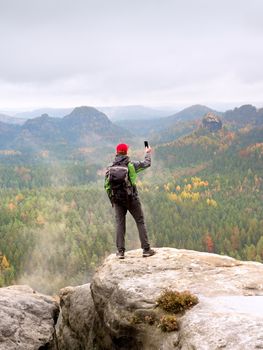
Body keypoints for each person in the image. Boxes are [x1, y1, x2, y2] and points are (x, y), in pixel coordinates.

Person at [105, 143, 156, 259]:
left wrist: (113, 200)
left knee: (120, 224)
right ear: (126, 152)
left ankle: (120, 252)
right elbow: (147, 163)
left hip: (117, 201)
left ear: (116, 152)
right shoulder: (131, 165)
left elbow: (107, 186)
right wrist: (148, 153)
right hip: (132, 199)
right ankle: (146, 250)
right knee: (140, 221)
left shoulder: (110, 167)